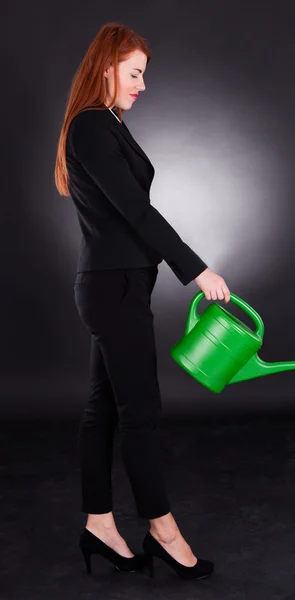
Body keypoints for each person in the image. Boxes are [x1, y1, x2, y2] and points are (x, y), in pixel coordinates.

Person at [54, 22, 230, 580]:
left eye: (144, 75)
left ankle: (99, 524)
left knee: (103, 407)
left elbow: (130, 211)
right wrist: (196, 269)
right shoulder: (89, 127)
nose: (142, 85)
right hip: (113, 287)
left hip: (119, 283)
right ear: (105, 68)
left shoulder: (106, 124)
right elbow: (136, 211)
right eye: (135, 73)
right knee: (141, 413)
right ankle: (162, 529)